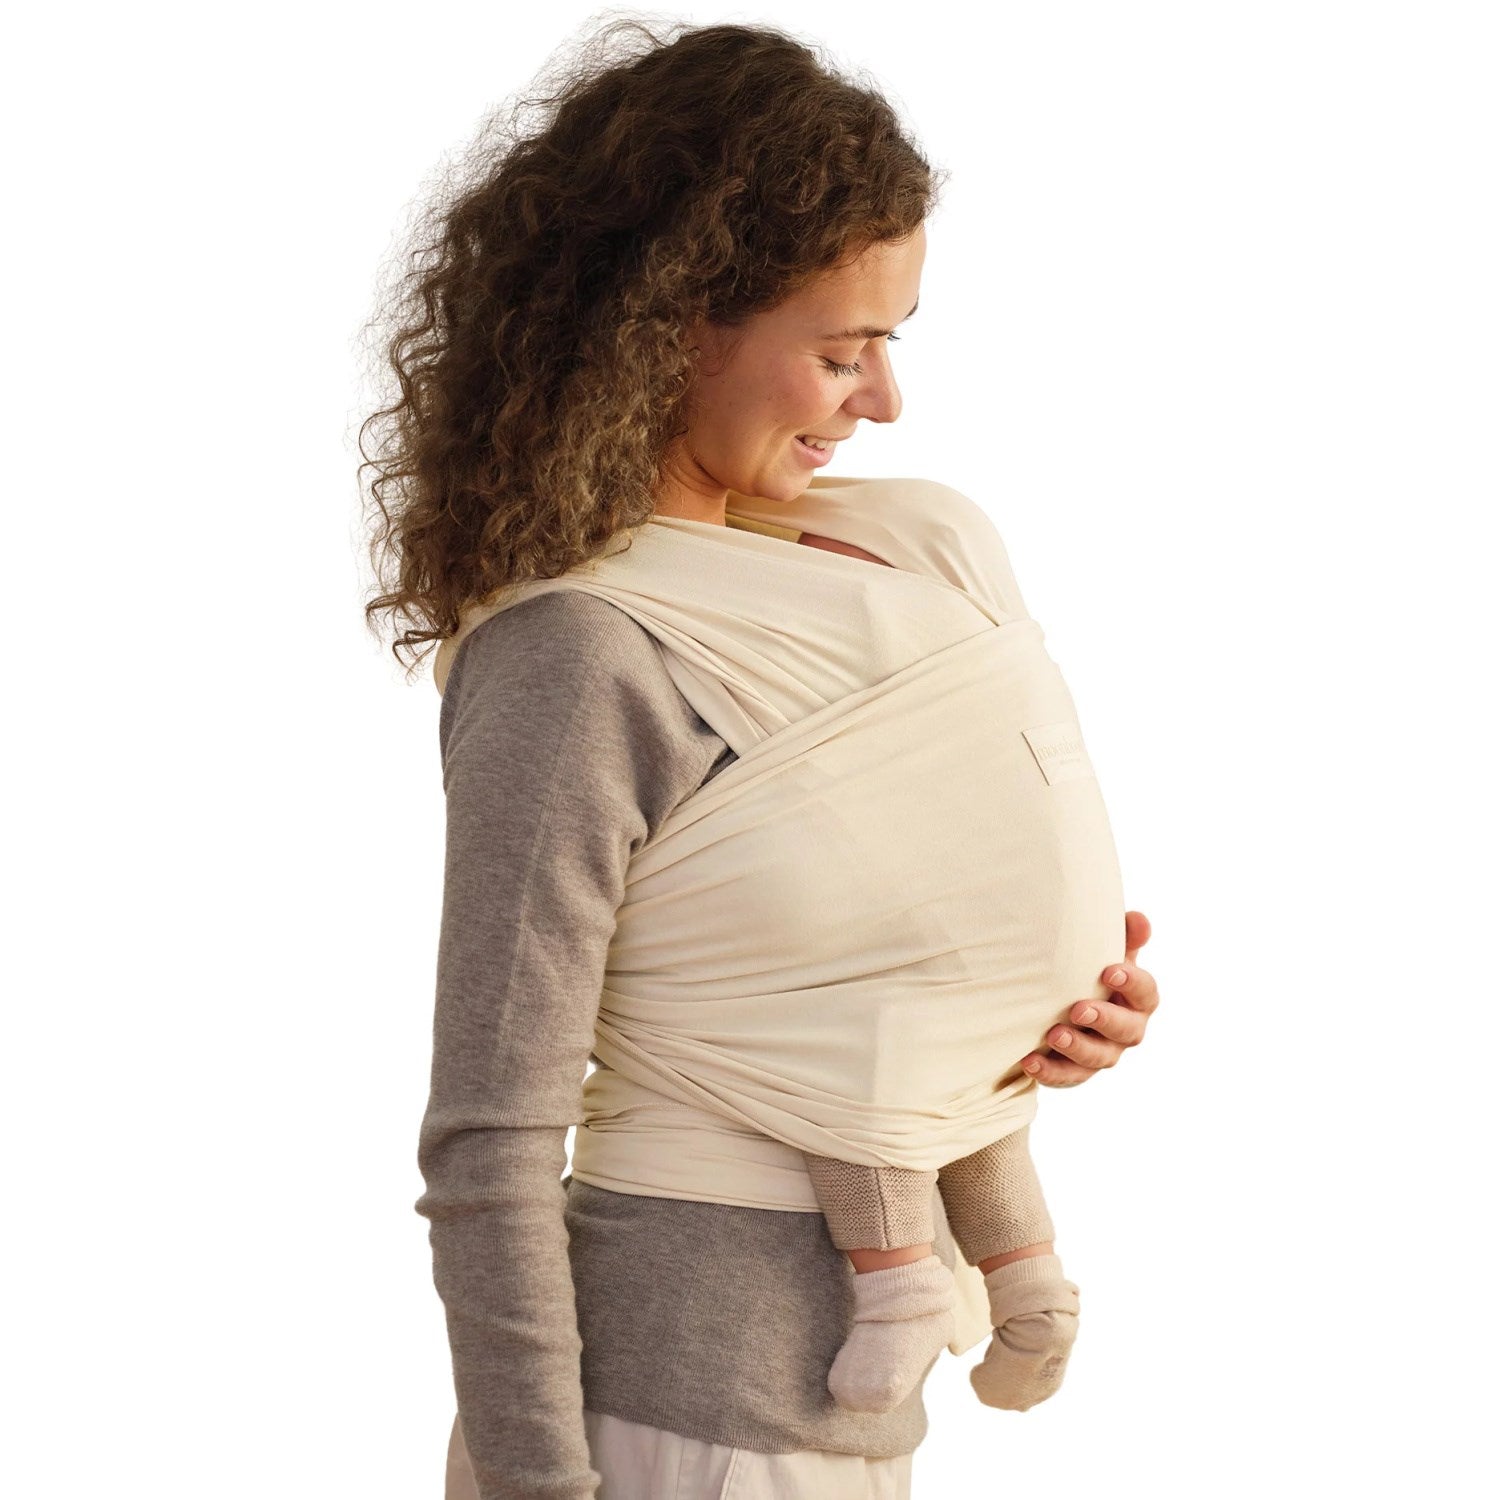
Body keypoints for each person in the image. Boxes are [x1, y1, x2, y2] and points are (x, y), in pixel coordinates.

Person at [358, 18, 1162, 1500]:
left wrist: (1025, 1029)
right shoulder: (579, 654)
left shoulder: (901, 550)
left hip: (857, 1413)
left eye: (893, 344)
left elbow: (846, 969)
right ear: (667, 328)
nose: (884, 399)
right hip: (673, 1426)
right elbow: (489, 1138)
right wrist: (539, 1484)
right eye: (840, 352)